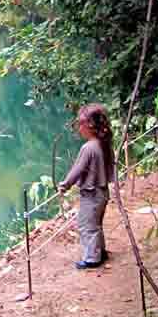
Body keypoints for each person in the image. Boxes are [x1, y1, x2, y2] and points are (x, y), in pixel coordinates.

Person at [58, 103, 116, 270]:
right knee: (95, 224)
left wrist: (65, 184)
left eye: (80, 124)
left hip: (91, 194)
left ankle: (92, 258)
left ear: (89, 126)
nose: (78, 128)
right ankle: (100, 252)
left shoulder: (88, 147)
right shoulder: (104, 143)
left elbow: (78, 169)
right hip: (103, 192)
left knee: (86, 225)